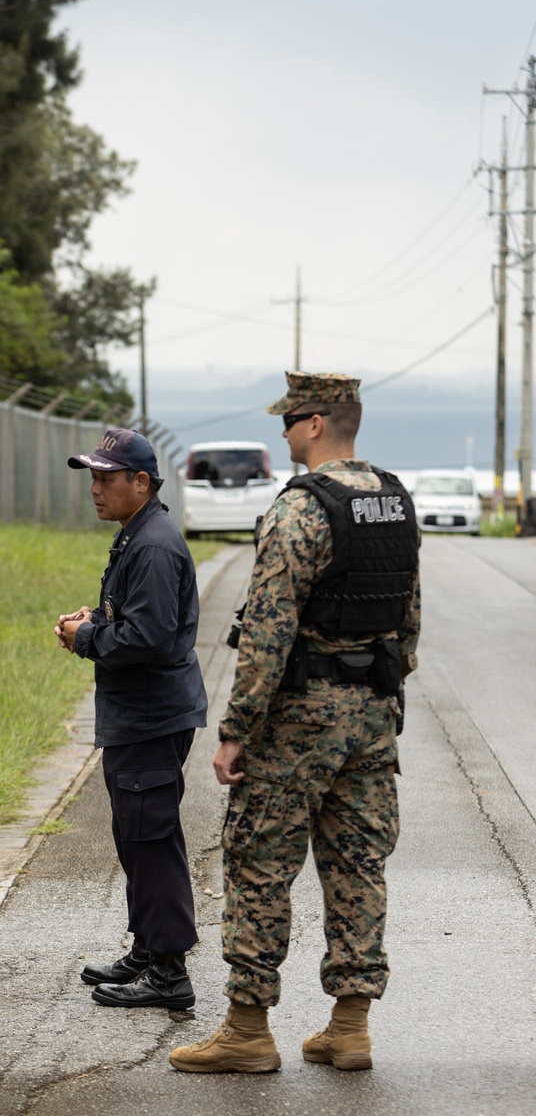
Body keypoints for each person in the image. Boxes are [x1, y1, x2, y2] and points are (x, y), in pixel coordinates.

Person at [169, 372, 421, 1077]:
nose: (281, 435)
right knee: (358, 865)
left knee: (259, 864)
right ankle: (349, 1027)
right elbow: (409, 623)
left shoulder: (299, 511)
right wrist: (375, 696)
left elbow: (268, 633)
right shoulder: (396, 503)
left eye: (288, 422)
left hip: (298, 719)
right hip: (372, 715)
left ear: (315, 424)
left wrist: (237, 729)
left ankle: (247, 1029)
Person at [55, 428, 208, 1010]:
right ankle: (148, 949)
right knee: (134, 835)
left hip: (151, 713)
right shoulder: (137, 534)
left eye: (105, 479)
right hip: (138, 713)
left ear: (140, 482)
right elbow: (139, 616)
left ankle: (169, 973)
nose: (94, 490)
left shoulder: (152, 544)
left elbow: (148, 636)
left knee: (152, 838)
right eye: (91, 478)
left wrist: (86, 636)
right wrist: (94, 618)